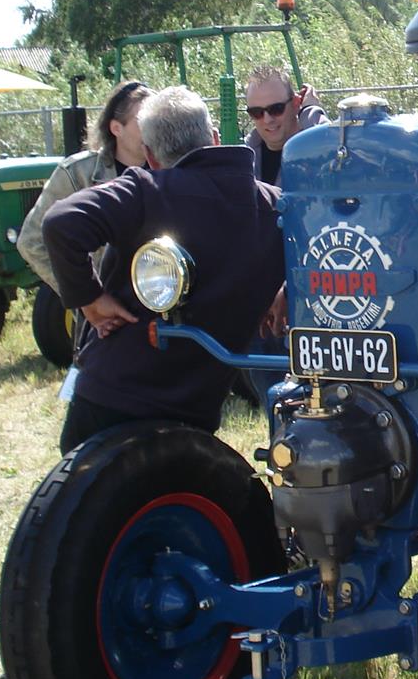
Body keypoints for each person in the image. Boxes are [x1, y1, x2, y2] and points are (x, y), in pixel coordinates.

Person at [42, 85, 287, 456]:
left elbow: (61, 221)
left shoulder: (144, 190)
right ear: (215, 139)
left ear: (150, 156)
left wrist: (90, 300)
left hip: (113, 399)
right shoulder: (274, 207)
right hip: (197, 408)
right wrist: (287, 289)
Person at [17, 79, 149, 295]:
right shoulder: (77, 174)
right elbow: (31, 242)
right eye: (143, 120)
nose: (152, 128)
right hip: (106, 319)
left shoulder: (169, 170)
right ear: (117, 128)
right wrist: (88, 298)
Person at [244, 63, 329, 187]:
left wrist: (310, 112)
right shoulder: (246, 158)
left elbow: (333, 147)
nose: (267, 119)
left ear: (296, 103)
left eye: (276, 109)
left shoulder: (315, 151)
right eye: (257, 112)